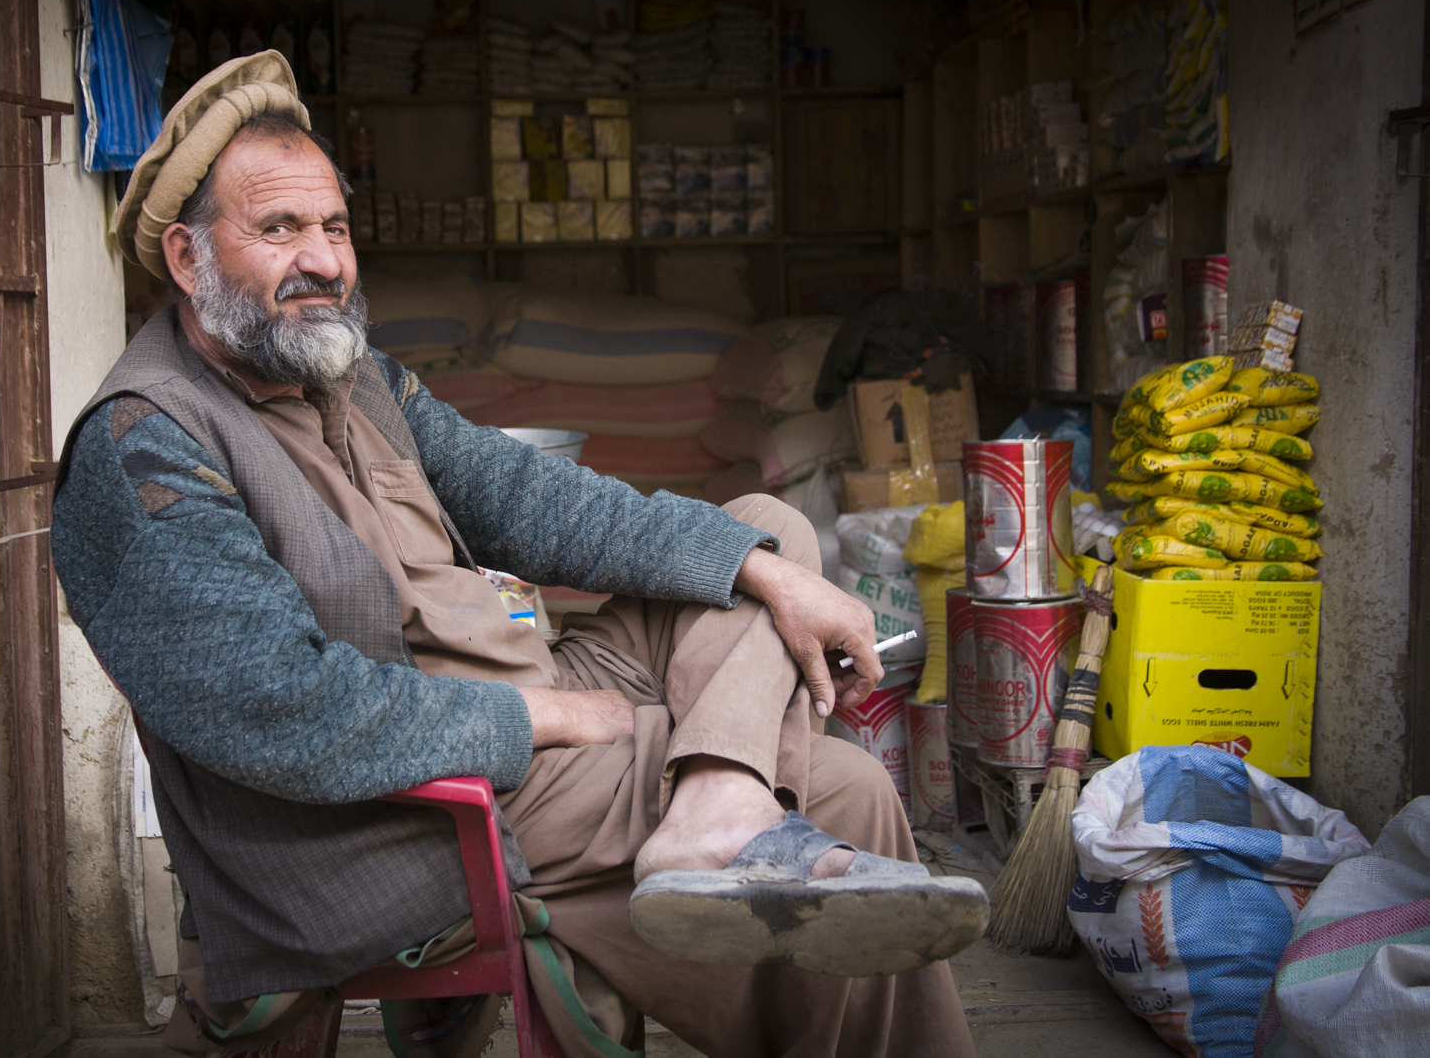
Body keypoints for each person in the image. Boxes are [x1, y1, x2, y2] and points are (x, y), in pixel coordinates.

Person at [51, 52, 983, 1058]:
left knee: (766, 530)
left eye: (333, 227)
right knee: (845, 789)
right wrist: (540, 715)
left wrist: (756, 568)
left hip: (516, 693)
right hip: (401, 805)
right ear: (187, 260)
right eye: (277, 229)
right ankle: (726, 800)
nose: (321, 260)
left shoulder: (345, 372)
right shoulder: (143, 442)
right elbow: (280, 712)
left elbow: (526, 496)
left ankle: (717, 793)